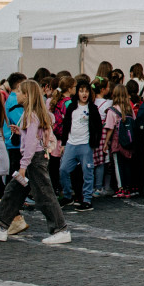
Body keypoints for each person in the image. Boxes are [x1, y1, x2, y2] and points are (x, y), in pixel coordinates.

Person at [0, 80, 71, 244]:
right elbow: (32, 137)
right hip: (35, 159)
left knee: (43, 195)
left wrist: (24, 166)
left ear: (26, 95)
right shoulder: (34, 114)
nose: (15, 94)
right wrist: (21, 132)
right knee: (14, 192)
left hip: (33, 161)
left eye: (19, 92)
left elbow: (31, 143)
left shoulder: (31, 115)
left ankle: (60, 229)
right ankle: (1, 227)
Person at [55, 78, 101, 210]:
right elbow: (66, 125)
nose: (84, 94)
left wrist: (95, 143)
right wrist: (64, 143)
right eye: (81, 91)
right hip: (71, 143)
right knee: (63, 169)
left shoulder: (92, 108)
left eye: (86, 91)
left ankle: (87, 199)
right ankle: (68, 195)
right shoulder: (71, 107)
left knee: (87, 172)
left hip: (85, 144)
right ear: (77, 92)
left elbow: (98, 126)